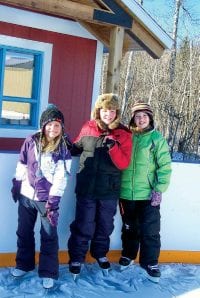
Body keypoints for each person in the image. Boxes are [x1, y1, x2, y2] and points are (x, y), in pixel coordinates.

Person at [67, 93, 132, 276]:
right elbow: (76, 147)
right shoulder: (88, 127)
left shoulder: (124, 133)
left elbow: (123, 163)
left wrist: (114, 147)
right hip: (87, 187)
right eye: (105, 110)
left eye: (112, 111)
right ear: (98, 110)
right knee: (83, 224)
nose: (108, 114)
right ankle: (77, 257)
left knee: (105, 224)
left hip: (109, 189)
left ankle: (100, 253)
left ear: (116, 113)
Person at [10, 104, 72, 289]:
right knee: (24, 232)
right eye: (50, 124)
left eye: (57, 126)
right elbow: (22, 163)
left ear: (62, 128)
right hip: (27, 197)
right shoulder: (31, 141)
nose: (53, 129)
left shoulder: (62, 147)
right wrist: (17, 183)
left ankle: (48, 272)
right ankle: (24, 264)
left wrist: (54, 200)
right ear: (43, 125)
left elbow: (62, 176)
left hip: (48, 201)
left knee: (49, 235)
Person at [119, 102, 172, 283]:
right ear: (133, 118)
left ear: (150, 118)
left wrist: (159, 189)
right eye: (137, 116)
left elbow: (164, 166)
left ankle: (150, 262)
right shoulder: (127, 137)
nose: (140, 119)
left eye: (144, 116)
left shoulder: (156, 139)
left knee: (150, 230)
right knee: (129, 228)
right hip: (126, 192)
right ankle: (128, 254)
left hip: (148, 194)